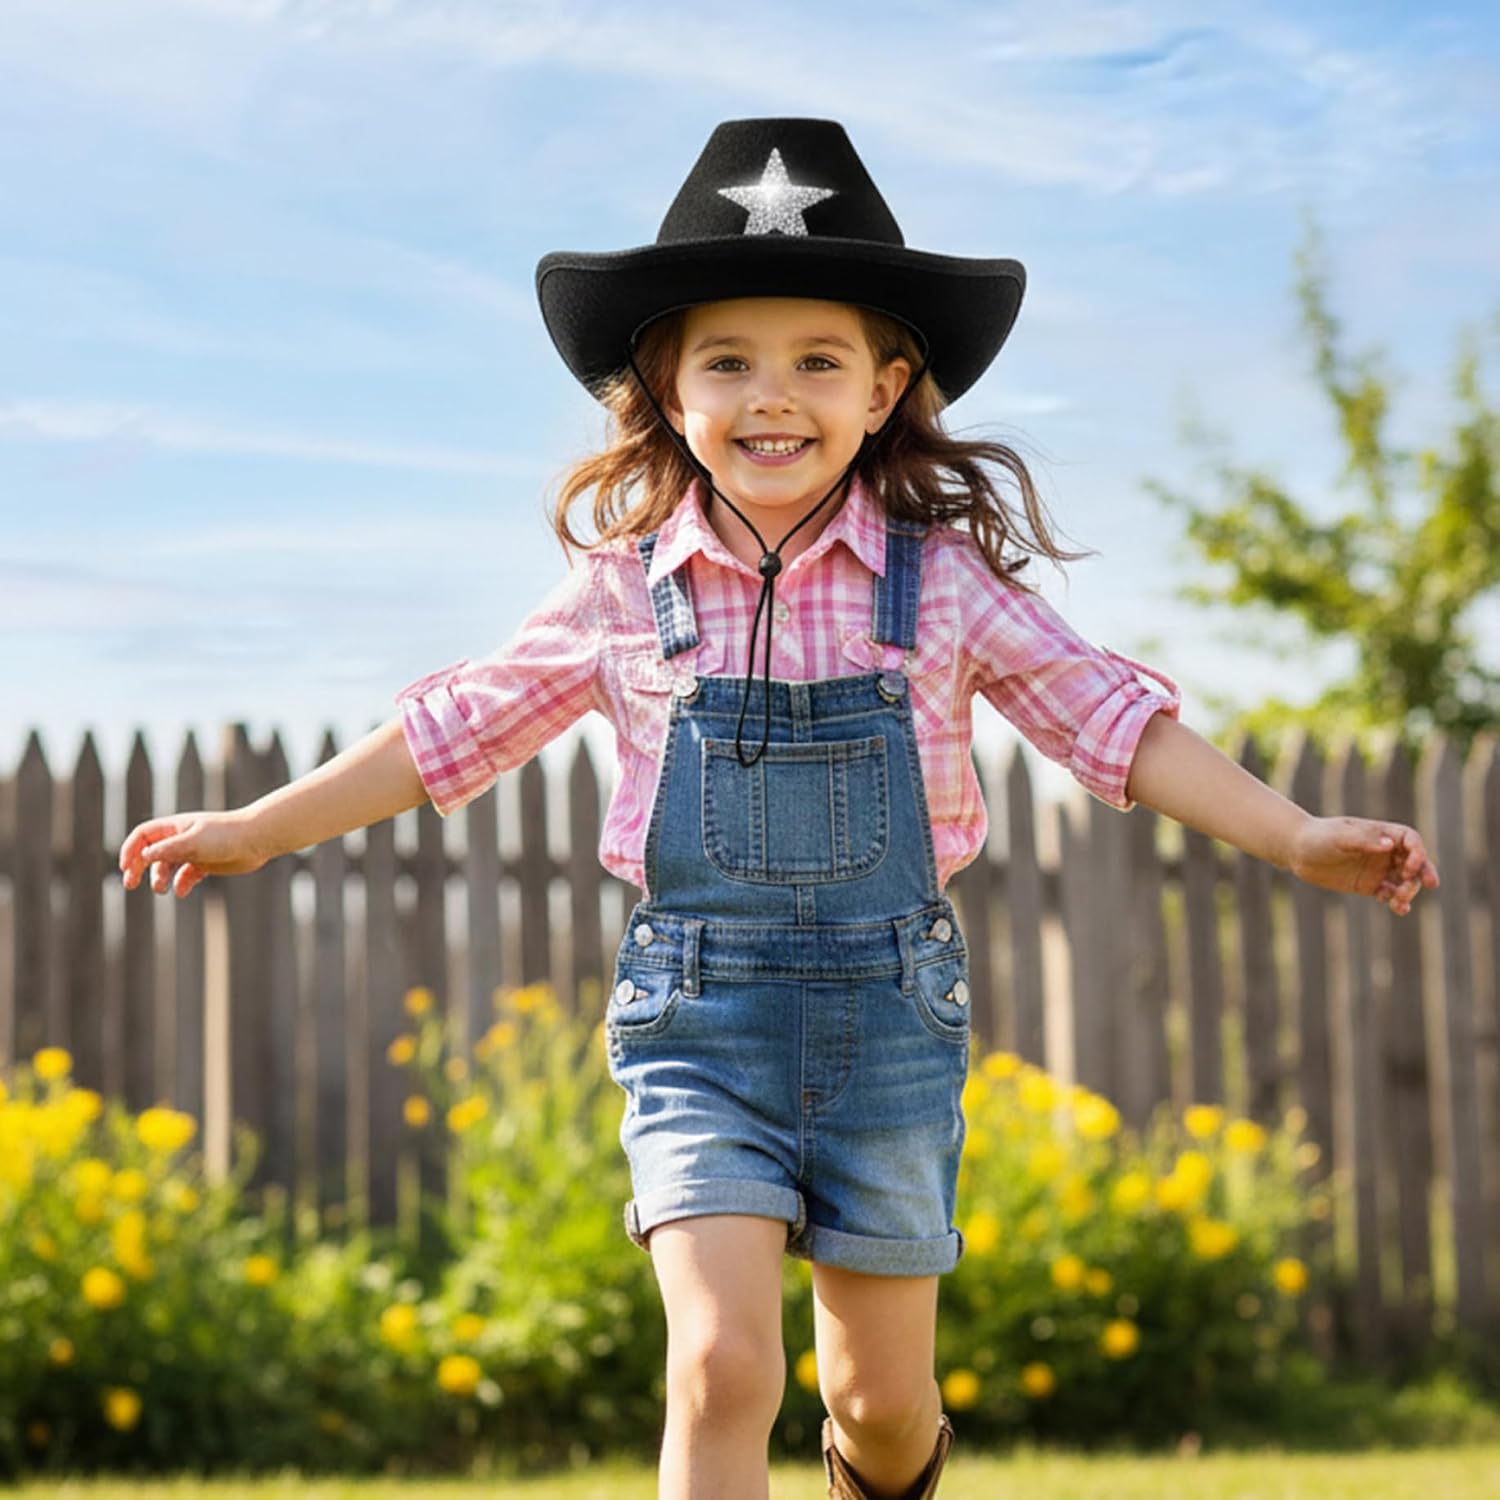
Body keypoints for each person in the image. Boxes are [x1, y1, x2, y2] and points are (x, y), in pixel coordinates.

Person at [119, 119, 1441, 1500]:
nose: (774, 395)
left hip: (890, 1031)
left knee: (877, 1404)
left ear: (884, 390)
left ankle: (877, 1462)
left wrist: (1294, 834)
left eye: (818, 360)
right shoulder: (625, 596)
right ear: (669, 391)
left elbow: (1114, 720)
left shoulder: (943, 588)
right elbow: (451, 730)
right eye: (728, 360)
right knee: (722, 1367)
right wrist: (257, 827)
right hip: (701, 1026)